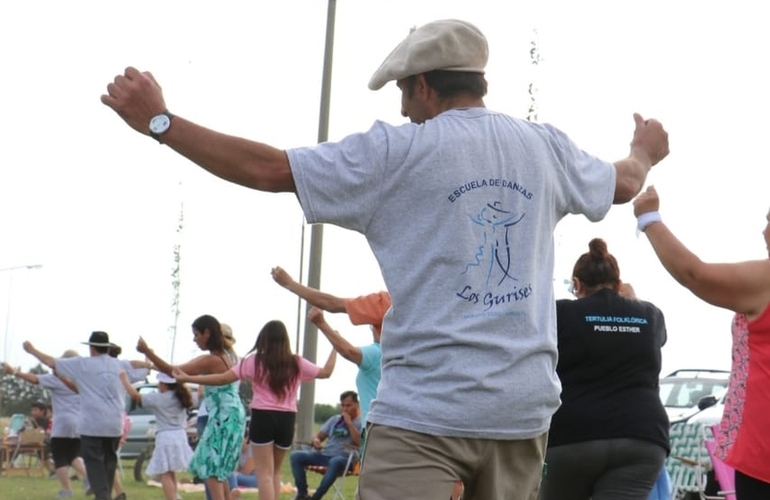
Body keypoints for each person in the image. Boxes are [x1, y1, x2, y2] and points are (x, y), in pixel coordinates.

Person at [101, 18, 669, 500]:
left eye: (402, 92)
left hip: (425, 410)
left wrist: (161, 122)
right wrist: (645, 147)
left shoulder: (396, 151)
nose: (403, 108)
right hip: (520, 415)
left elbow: (269, 169)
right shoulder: (545, 147)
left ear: (423, 85)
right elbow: (623, 182)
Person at [634, 186, 770, 500]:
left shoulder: (764, 282)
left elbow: (695, 275)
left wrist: (649, 218)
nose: (763, 231)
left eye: (769, 221)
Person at [539, 238, 669, 500]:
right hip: (641, 437)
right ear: (619, 284)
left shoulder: (560, 314)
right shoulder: (650, 315)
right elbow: (659, 339)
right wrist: (633, 302)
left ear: (576, 284)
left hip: (573, 437)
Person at [173, 319, 337, 500]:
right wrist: (335, 346)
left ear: (263, 339)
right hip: (287, 419)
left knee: (264, 473)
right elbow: (326, 372)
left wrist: (190, 378)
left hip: (263, 416)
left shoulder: (255, 361)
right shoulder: (296, 362)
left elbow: (222, 379)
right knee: (274, 472)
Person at [23, 332, 150, 500]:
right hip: (114, 423)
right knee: (109, 461)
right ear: (107, 347)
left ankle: (103, 496)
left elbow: (50, 362)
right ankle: (106, 494)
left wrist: (32, 350)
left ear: (91, 348)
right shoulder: (121, 365)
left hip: (92, 424)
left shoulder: (82, 364)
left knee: (94, 463)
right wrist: (147, 354)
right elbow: (146, 370)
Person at [136, 315, 245, 500]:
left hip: (223, 416)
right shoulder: (228, 356)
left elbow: (174, 371)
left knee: (209, 466)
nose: (194, 339)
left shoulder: (213, 359)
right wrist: (151, 362)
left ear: (207, 333)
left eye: (196, 334)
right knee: (219, 468)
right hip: (232, 415)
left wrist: (147, 352)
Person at [271, 266, 389, 425]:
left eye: (373, 325)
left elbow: (349, 351)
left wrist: (289, 283)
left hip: (381, 426)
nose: (372, 329)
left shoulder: (378, 351)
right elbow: (326, 372)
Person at [3, 354, 88, 498]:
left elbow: (34, 379)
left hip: (62, 421)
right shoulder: (83, 379)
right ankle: (89, 479)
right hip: (79, 422)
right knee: (74, 455)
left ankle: (66, 490)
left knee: (59, 456)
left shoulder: (58, 378)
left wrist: (14, 372)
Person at [120, 371, 195, 500]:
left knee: (164, 472)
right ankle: (175, 496)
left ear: (164, 385)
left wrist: (124, 380)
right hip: (180, 435)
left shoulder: (160, 398)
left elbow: (136, 396)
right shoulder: (182, 397)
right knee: (171, 471)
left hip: (165, 436)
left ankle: (171, 498)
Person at [289, 391, 362, 500]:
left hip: (345, 460)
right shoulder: (335, 419)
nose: (345, 409)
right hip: (325, 455)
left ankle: (316, 498)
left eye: (348, 405)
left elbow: (359, 443)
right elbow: (319, 436)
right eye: (342, 405)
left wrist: (349, 423)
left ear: (357, 404)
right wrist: (316, 441)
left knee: (335, 461)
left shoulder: (361, 422)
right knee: (296, 455)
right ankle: (302, 494)